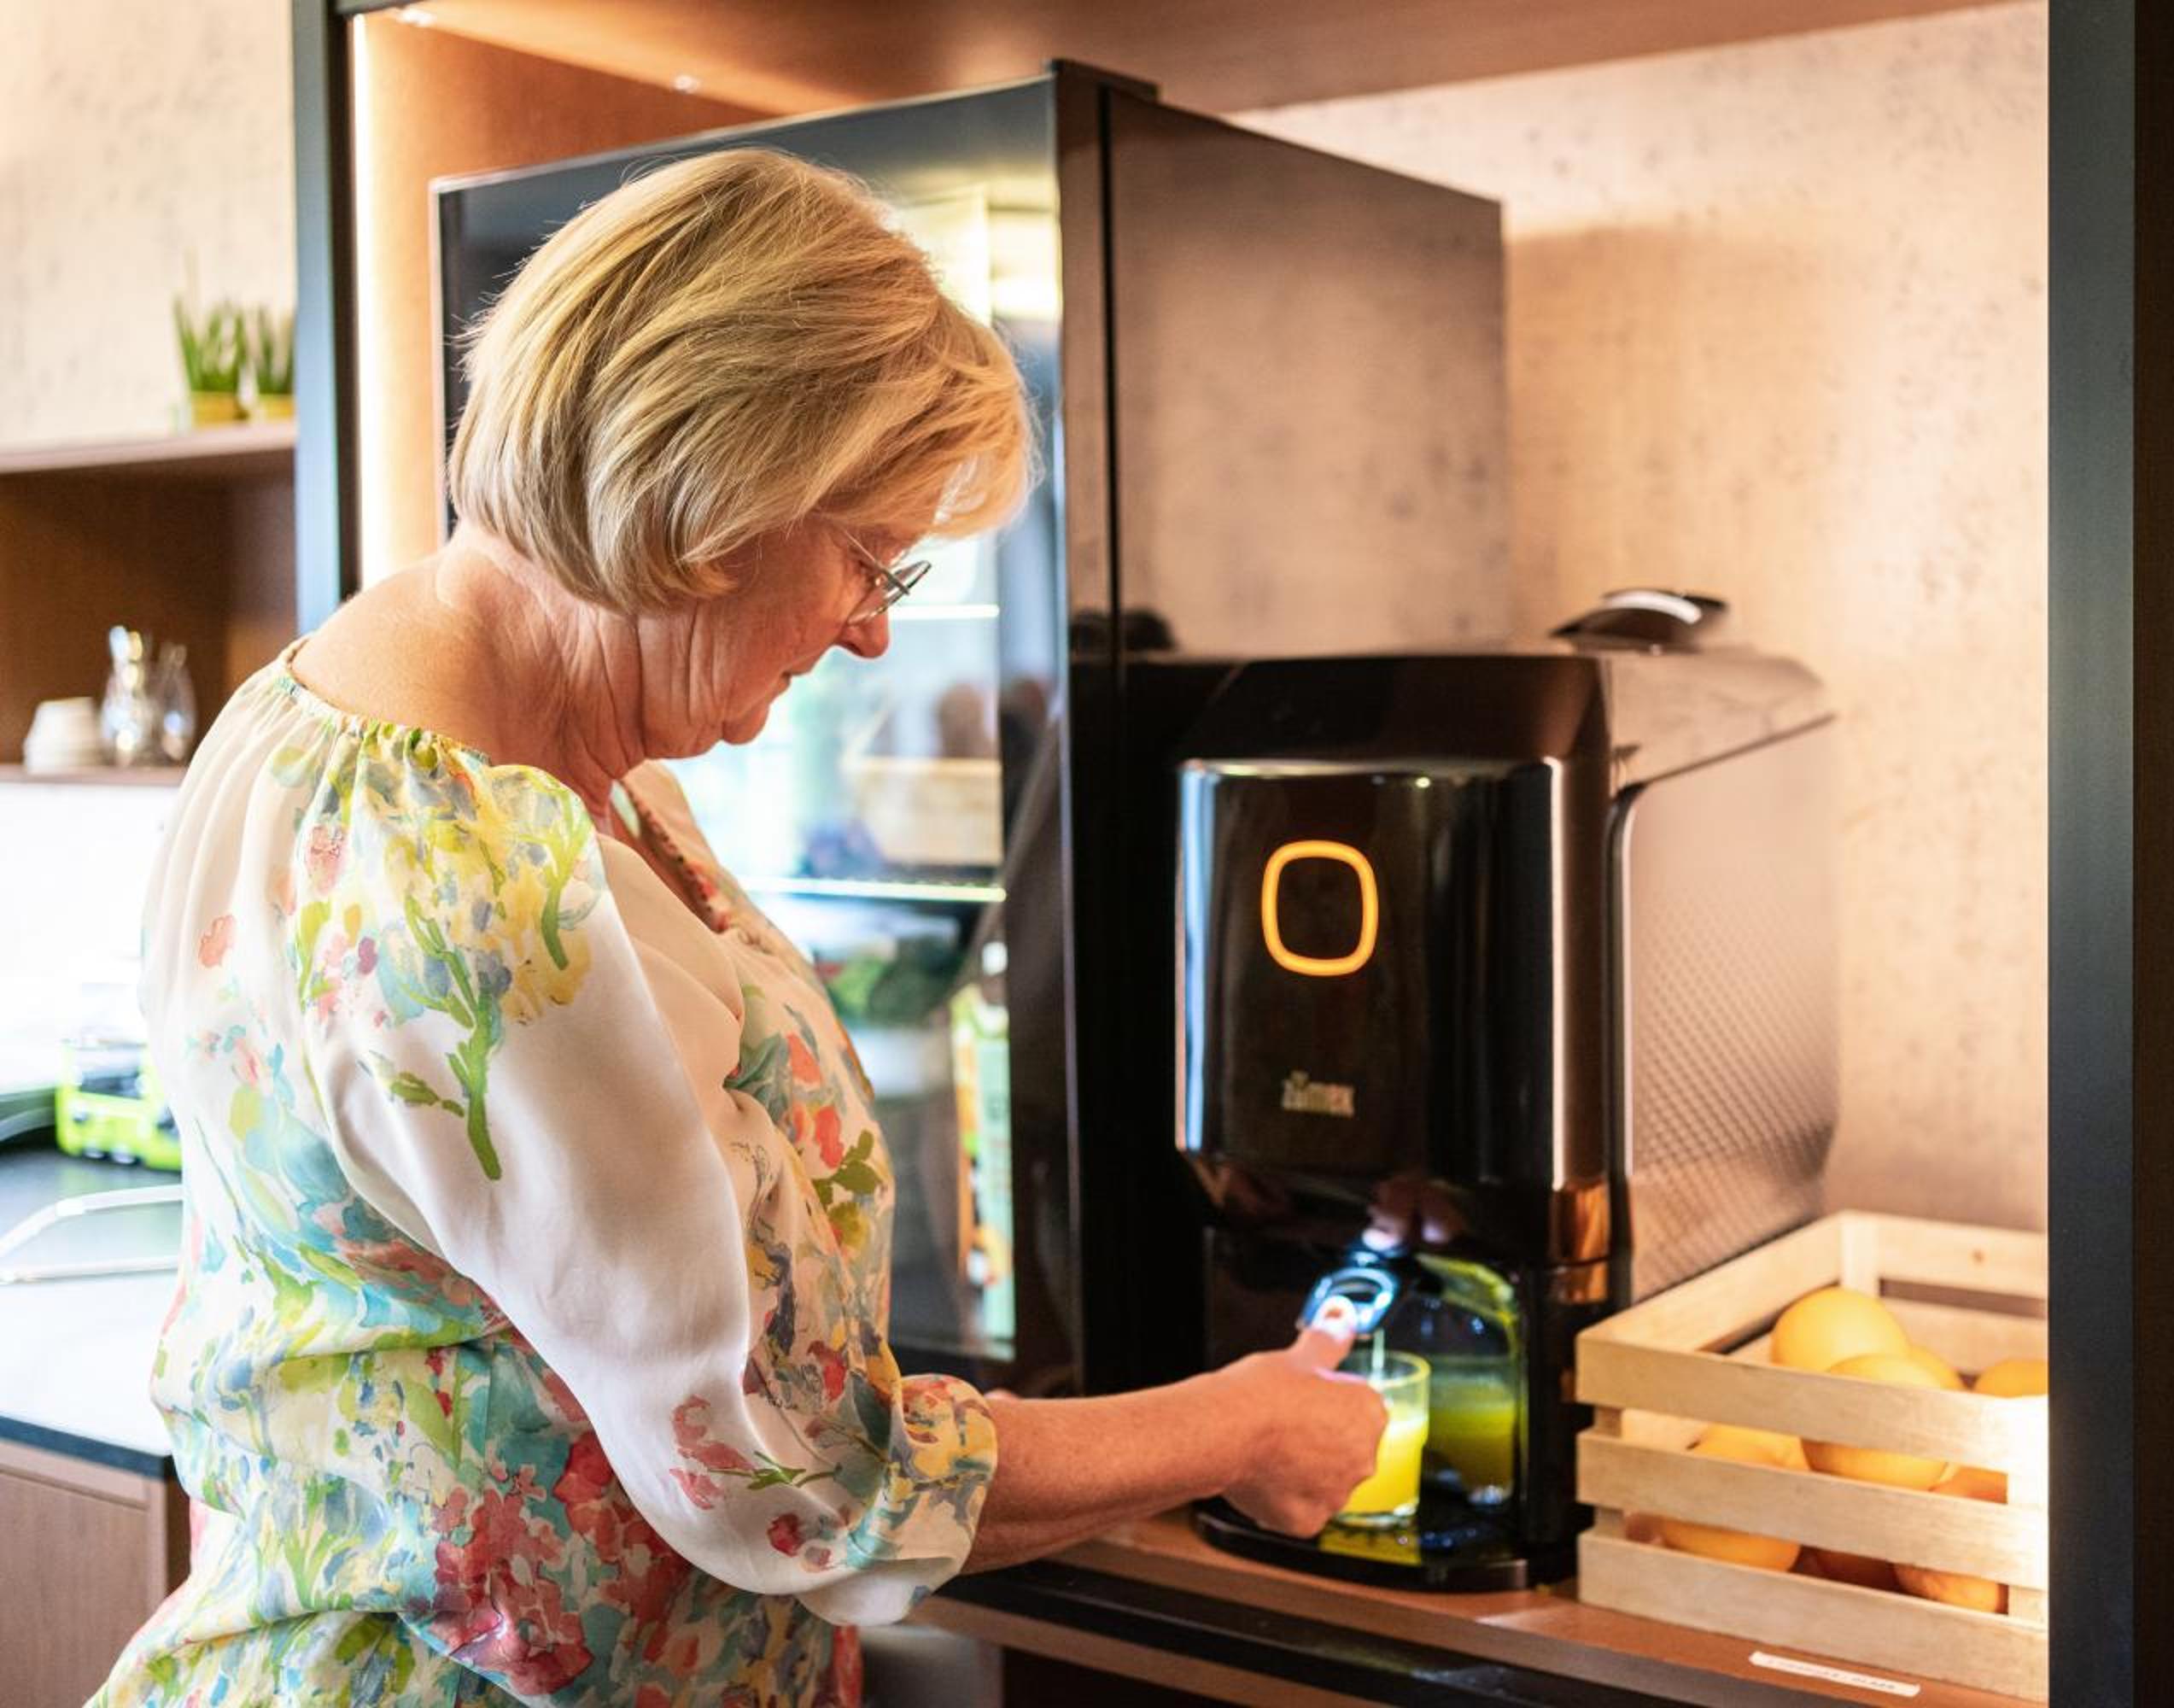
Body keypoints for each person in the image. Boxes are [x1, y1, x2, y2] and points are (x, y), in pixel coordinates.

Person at [95, 148, 1384, 1705]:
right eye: (869, 556)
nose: (874, 630)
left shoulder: (363, 716)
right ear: (718, 495)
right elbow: (802, 1481)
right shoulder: (490, 892)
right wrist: (1245, 1424)